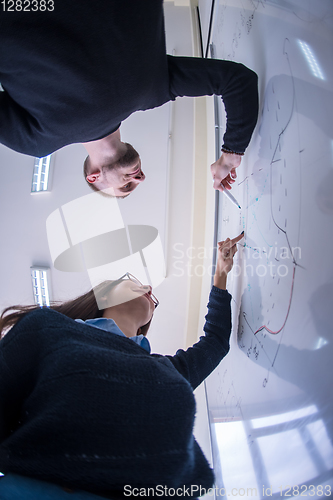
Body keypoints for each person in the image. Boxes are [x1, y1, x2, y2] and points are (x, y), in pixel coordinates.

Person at [0, 232, 244, 499]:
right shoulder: (48, 330)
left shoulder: (163, 369)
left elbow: (215, 343)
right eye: (135, 282)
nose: (149, 288)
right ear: (104, 294)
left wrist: (221, 272)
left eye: (154, 299)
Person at [0, 0, 258, 197]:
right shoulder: (153, 89)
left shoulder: (37, 140)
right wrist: (230, 155)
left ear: (94, 177)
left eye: (126, 187)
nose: (140, 179)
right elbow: (237, 81)